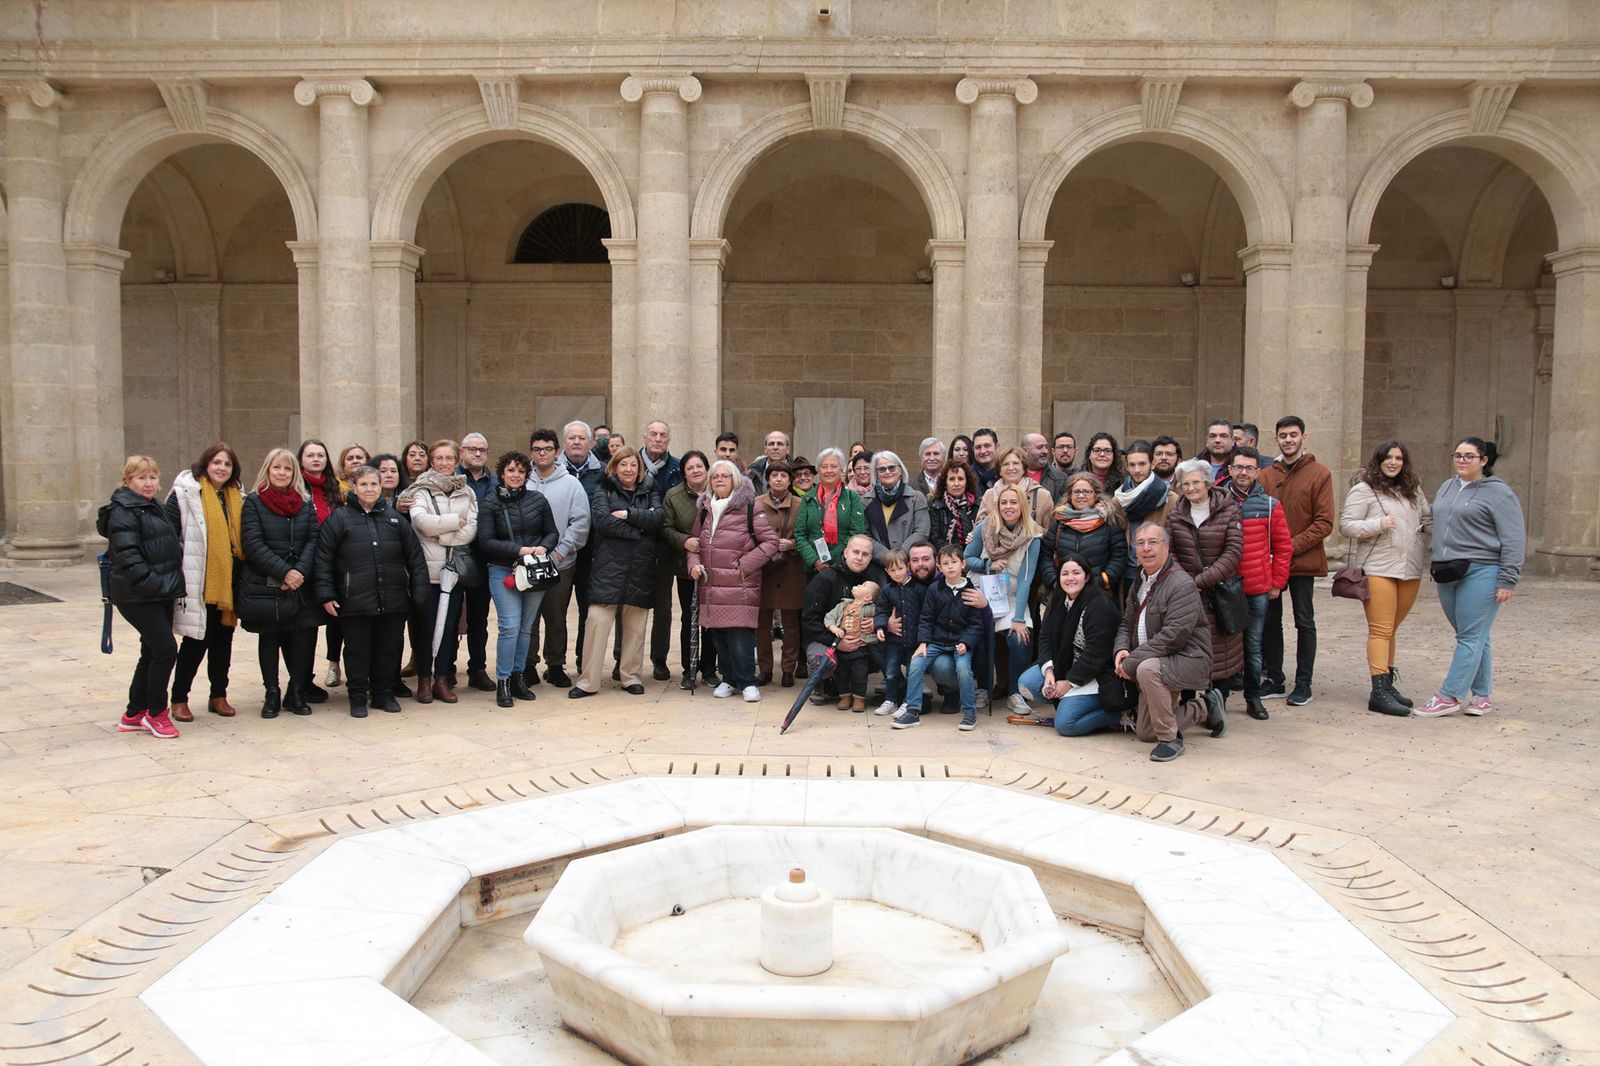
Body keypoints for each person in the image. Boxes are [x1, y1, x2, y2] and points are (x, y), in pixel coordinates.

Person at [1415, 438, 1524, 719]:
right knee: (1475, 636)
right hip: (1446, 570)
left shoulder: (1500, 493)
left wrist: (1507, 579)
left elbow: (1513, 538)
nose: (1462, 460)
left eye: (1469, 456)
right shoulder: (1448, 486)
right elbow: (1436, 519)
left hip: (1482, 570)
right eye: (1458, 455)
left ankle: (1449, 696)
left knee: (1470, 636)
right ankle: (1483, 695)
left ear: (1484, 460)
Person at [314, 466, 429, 717]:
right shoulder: (339, 519)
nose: (369, 489)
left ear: (380, 488)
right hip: (353, 601)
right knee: (357, 651)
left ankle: (383, 694)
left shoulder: (395, 520)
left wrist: (418, 593)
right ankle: (357, 696)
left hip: (394, 600)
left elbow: (415, 559)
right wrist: (326, 594)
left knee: (387, 650)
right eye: (363, 485)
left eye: (373, 485)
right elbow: (323, 560)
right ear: (354, 488)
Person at [1114, 523, 1226, 762]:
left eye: (1153, 542)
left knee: (1146, 669)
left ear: (1166, 547)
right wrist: (1122, 649)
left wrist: (1132, 662)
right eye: (1140, 543)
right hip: (1155, 661)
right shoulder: (1141, 580)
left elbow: (1172, 638)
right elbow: (1126, 622)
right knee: (1145, 733)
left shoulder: (1181, 584)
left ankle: (1170, 740)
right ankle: (1205, 707)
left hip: (1189, 659)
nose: (1146, 549)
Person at [1340, 440, 1431, 718]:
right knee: (1380, 629)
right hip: (1379, 567)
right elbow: (1346, 526)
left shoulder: (1413, 490)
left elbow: (1427, 518)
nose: (1393, 462)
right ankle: (1378, 692)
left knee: (1391, 628)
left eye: (1399, 458)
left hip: (1410, 567)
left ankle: (1388, 686)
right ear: (1378, 460)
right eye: (1388, 457)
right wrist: (1378, 524)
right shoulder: (1364, 490)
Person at [100, 456, 184, 740]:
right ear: (128, 481)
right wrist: (156, 585)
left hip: (158, 592)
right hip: (138, 595)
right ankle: (157, 714)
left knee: (151, 651)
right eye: (141, 478)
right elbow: (129, 559)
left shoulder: (153, 506)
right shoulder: (123, 511)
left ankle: (135, 712)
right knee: (166, 650)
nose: (148, 483)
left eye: (152, 477)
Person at [570, 447, 663, 698]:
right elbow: (601, 521)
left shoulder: (650, 491)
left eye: (633, 465)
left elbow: (658, 519)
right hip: (608, 567)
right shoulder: (604, 490)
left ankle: (631, 677)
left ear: (639, 468)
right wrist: (638, 531)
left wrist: (627, 514)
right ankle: (588, 681)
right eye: (623, 465)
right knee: (597, 622)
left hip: (640, 567)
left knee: (635, 627)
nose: (629, 469)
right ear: (614, 467)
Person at [237, 448, 323, 719]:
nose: (282, 473)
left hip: (301, 584)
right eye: (277, 468)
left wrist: (299, 572)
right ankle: (271, 693)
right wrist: (285, 572)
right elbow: (252, 543)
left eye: (287, 469)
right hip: (267, 585)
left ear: (294, 473)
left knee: (303, 638)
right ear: (267, 470)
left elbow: (313, 540)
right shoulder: (254, 502)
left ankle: (295, 692)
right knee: (270, 639)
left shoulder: (305, 502)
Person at [1256, 415, 1334, 706]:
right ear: (1276, 439)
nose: (1288, 440)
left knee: (1304, 620)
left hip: (1302, 561)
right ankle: (1275, 678)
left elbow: (1324, 522)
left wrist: (1288, 547)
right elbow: (1257, 517)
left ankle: (1304, 683)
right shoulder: (1265, 476)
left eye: (1293, 435)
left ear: (1304, 437)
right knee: (1270, 621)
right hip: (1270, 562)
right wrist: (1269, 551)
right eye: (1283, 436)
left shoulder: (1320, 474)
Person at [687, 460, 779, 701]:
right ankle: (728, 679)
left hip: (740, 584)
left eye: (725, 476)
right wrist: (693, 565)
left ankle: (748, 682)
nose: (719, 479)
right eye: (715, 476)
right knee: (719, 636)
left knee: (740, 636)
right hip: (711, 584)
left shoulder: (750, 506)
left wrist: (744, 567)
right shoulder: (705, 508)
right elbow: (693, 543)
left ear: (735, 480)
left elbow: (771, 542)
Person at [166, 442, 245, 723]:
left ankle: (218, 695)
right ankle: (179, 698)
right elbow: (169, 535)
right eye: (217, 463)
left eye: (227, 464)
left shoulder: (238, 496)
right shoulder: (185, 494)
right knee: (195, 642)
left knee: (224, 642)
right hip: (198, 580)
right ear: (205, 464)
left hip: (229, 584)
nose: (221, 468)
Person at [399, 439, 479, 705]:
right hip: (427, 572)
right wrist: (455, 522)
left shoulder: (466, 491)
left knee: (449, 629)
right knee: (426, 628)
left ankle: (441, 680)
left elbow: (471, 531)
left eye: (449, 458)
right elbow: (421, 523)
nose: (445, 463)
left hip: (453, 570)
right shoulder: (420, 489)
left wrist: (441, 537)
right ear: (432, 461)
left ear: (457, 460)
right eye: (439, 458)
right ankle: (423, 680)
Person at [1012, 556, 1130, 735]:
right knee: (1027, 683)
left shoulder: (1100, 605)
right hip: (1065, 665)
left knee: (1066, 725)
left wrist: (1068, 683)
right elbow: (1044, 638)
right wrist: (1049, 672)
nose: (1070, 578)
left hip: (1096, 674)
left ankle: (1116, 716)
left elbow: (1096, 654)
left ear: (1087, 576)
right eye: (1065, 573)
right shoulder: (1058, 600)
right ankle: (1070, 704)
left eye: (1076, 573)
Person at [478, 449, 558, 707]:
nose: (516, 475)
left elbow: (552, 532)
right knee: (510, 626)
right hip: (503, 570)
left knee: (526, 627)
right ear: (502, 473)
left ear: (527, 474)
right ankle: (502, 680)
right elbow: (486, 541)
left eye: (521, 471)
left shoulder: (538, 500)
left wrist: (544, 547)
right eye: (511, 470)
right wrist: (519, 550)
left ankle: (517, 676)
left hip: (534, 571)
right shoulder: (490, 503)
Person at [1166, 458, 1245, 707]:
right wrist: (1185, 583)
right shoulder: (1176, 514)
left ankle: (1217, 704)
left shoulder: (1228, 510)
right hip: (1187, 593)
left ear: (1208, 483)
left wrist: (1200, 581)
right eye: (1185, 483)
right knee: (1188, 645)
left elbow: (1233, 552)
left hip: (1219, 593)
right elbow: (1171, 552)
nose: (1190, 488)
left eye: (1195, 482)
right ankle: (1190, 704)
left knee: (1222, 650)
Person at [524, 426, 593, 688]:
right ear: (531, 452)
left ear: (556, 452)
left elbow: (580, 523)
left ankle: (555, 665)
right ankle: (528, 664)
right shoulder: (523, 480)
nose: (542, 453)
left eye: (547, 449)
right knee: (528, 617)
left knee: (556, 617)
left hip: (561, 562)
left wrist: (560, 552)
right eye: (537, 449)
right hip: (527, 563)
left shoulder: (571, 484)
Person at [965, 484, 1042, 713]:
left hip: (1012, 596)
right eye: (1004, 503)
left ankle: (1014, 691)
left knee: (1020, 637)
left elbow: (1027, 579)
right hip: (985, 592)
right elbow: (967, 558)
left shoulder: (1033, 535)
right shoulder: (985, 527)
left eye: (1013, 502)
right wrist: (987, 564)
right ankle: (982, 688)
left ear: (1022, 506)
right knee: (976, 635)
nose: (1008, 507)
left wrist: (1018, 617)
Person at [1228, 447, 1292, 721]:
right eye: (1239, 467)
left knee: (1253, 646)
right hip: (1226, 586)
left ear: (1257, 471)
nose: (1243, 473)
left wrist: (1276, 582)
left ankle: (1253, 698)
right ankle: (1217, 696)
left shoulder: (1270, 505)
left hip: (1256, 588)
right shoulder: (1218, 500)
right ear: (1230, 469)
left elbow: (1283, 547)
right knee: (1223, 645)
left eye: (1249, 468)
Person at [892, 545, 985, 731]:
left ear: (963, 564)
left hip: (960, 643)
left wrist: (966, 643)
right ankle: (912, 711)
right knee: (916, 663)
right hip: (936, 641)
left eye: (954, 562)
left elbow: (976, 624)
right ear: (939, 567)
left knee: (964, 670)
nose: (950, 567)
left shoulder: (971, 591)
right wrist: (923, 643)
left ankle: (969, 713)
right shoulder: (934, 590)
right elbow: (926, 618)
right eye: (945, 563)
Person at [799, 534, 888, 708]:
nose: (859, 557)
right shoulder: (825, 579)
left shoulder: (877, 580)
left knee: (889, 647)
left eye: (865, 554)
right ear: (846, 552)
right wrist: (836, 642)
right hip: (828, 638)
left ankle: (893, 685)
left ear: (871, 557)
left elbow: (888, 609)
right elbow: (809, 620)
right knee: (820, 660)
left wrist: (876, 622)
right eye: (856, 552)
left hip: (863, 641)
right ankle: (820, 683)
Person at [661, 449, 717, 689]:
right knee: (690, 618)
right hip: (686, 568)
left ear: (707, 469)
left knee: (712, 620)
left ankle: (709, 669)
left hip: (716, 566)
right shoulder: (673, 496)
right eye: (690, 467)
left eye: (700, 466)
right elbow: (665, 527)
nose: (696, 471)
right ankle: (689, 668)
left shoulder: (719, 492)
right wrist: (683, 541)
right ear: (684, 473)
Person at [561, 421, 606, 675]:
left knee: (587, 610)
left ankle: (583, 660)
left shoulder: (602, 473)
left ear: (590, 443)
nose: (577, 442)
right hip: (559, 552)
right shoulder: (552, 471)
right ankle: (554, 663)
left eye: (581, 438)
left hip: (592, 553)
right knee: (556, 612)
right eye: (572, 438)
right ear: (564, 442)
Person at [756, 460, 805, 687]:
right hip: (764, 568)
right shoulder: (756, 504)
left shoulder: (801, 503)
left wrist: (792, 544)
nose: (778, 479)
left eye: (783, 476)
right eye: (774, 475)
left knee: (790, 622)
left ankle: (788, 669)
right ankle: (765, 669)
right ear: (768, 479)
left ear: (790, 480)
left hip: (791, 567)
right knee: (762, 623)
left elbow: (808, 533)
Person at [456, 432, 498, 693]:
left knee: (478, 619)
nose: (477, 454)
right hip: (453, 556)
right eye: (472, 449)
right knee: (449, 619)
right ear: (462, 452)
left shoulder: (494, 482)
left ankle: (477, 669)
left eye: (482, 450)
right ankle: (446, 670)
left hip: (484, 558)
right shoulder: (452, 479)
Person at [300, 439, 341, 699]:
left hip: (332, 566)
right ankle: (301, 681)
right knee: (305, 628)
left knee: (329, 623)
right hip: (304, 567)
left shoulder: (333, 489)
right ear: (301, 459)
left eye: (321, 455)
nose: (316, 459)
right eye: (310, 455)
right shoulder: (296, 488)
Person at [1042, 472, 1128, 596]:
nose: (1081, 495)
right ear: (1070, 495)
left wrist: (1104, 580)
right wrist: (1054, 581)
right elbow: (1045, 555)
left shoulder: (1108, 520)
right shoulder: (1059, 520)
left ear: (1095, 495)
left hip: (1097, 592)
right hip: (1064, 592)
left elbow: (1119, 555)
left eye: (1087, 492)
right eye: (1076, 492)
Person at [642, 420, 682, 681]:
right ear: (645, 437)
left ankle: (659, 660)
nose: (658, 439)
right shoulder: (629, 462)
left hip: (666, 545)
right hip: (634, 544)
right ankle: (622, 658)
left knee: (663, 607)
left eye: (663, 435)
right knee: (628, 605)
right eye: (653, 434)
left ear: (668, 439)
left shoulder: (678, 467)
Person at [795, 448, 866, 577]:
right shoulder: (808, 499)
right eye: (824, 466)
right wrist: (815, 560)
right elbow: (800, 534)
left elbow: (856, 533)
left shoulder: (852, 498)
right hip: (813, 569)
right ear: (818, 470)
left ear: (842, 470)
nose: (828, 471)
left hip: (843, 566)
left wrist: (832, 558)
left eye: (833, 466)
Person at [873, 548, 920, 717]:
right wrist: (880, 626)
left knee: (912, 673)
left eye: (900, 568)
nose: (897, 573)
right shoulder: (887, 590)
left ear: (907, 566)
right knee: (891, 671)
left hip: (914, 641)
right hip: (894, 640)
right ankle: (891, 700)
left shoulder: (918, 588)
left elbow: (925, 614)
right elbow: (881, 610)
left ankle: (908, 702)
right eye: (892, 570)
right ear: (887, 571)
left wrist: (922, 639)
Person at [1114, 440, 1176, 565]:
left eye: (1142, 464)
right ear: (1127, 466)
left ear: (1152, 464)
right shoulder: (1119, 499)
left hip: (1159, 568)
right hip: (1127, 568)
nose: (1137, 470)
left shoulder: (1170, 499)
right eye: (1132, 465)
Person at [864, 450, 931, 563]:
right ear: (876, 474)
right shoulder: (866, 501)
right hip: (879, 563)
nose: (887, 472)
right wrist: (887, 557)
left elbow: (922, 531)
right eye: (882, 469)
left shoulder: (916, 498)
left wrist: (900, 555)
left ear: (900, 470)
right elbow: (865, 535)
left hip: (909, 562)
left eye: (892, 467)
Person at [825, 579, 880, 710]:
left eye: (863, 585)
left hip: (860, 650)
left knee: (860, 675)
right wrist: (833, 628)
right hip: (841, 650)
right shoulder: (843, 605)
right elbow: (829, 616)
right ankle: (844, 697)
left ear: (868, 597)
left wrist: (875, 622)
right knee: (841, 674)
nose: (859, 584)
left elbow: (881, 617)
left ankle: (859, 699)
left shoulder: (871, 609)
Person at [978, 447, 1053, 530]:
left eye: (1016, 463)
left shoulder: (1042, 495)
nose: (1011, 468)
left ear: (1024, 469)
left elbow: (1049, 532)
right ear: (999, 470)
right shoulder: (989, 495)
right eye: (1006, 464)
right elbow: (979, 527)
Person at [927, 460, 978, 551]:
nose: (956, 484)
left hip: (973, 556)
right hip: (947, 558)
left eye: (960, 479)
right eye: (951, 479)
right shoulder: (936, 507)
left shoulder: (977, 506)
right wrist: (955, 554)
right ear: (945, 483)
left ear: (967, 482)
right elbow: (935, 538)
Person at [1023, 433, 1067, 503]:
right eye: (1039, 447)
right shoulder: (1013, 475)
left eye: (1046, 447)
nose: (1045, 451)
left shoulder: (1060, 478)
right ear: (1025, 451)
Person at [746, 430, 790, 497]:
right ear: (765, 449)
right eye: (771, 444)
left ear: (788, 449)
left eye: (780, 444)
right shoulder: (752, 473)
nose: (775, 447)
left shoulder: (797, 472)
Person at [1202, 418, 1234, 485]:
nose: (1217, 440)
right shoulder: (1195, 467)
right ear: (1207, 441)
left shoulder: (1241, 468)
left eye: (1223, 436)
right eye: (1212, 436)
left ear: (1232, 441)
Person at [970, 428, 1000, 494]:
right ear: (973, 449)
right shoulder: (967, 475)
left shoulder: (1006, 474)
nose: (983, 451)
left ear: (997, 447)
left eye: (987, 446)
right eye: (978, 447)